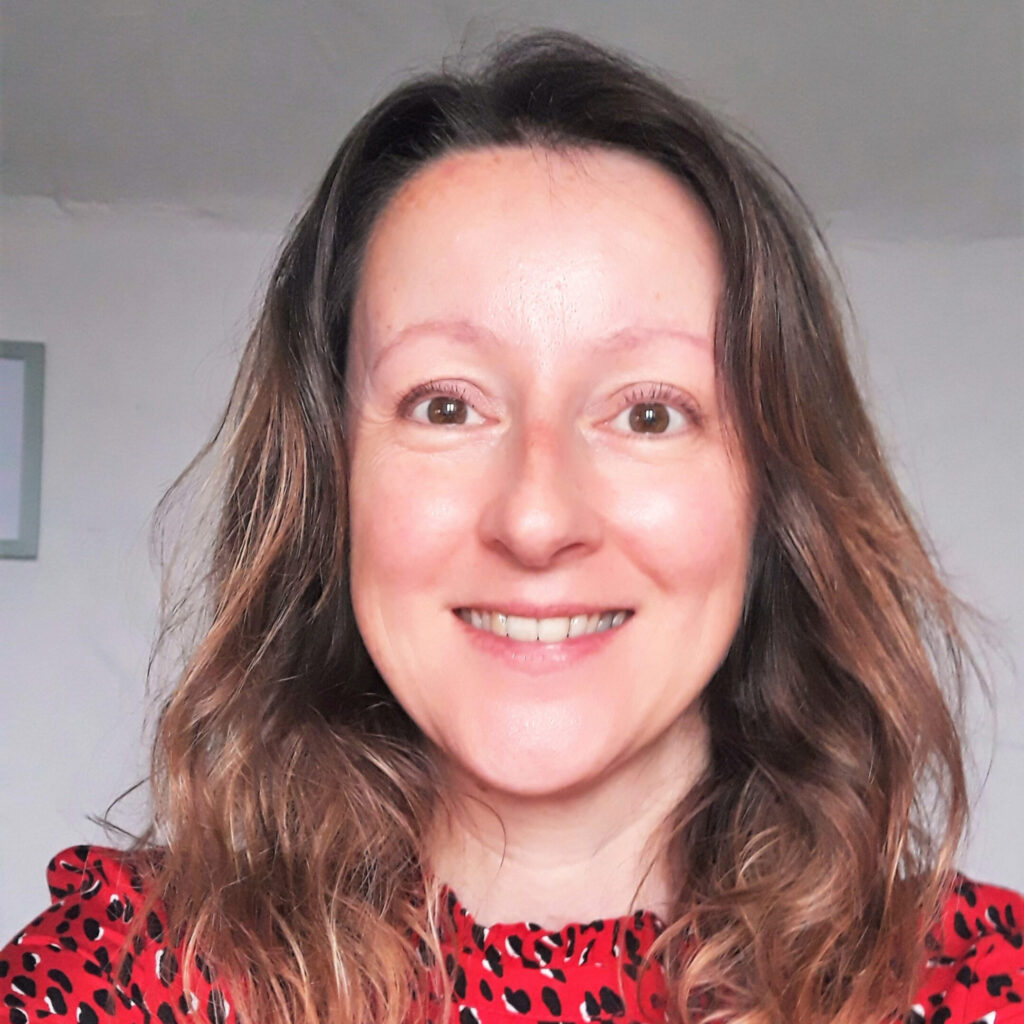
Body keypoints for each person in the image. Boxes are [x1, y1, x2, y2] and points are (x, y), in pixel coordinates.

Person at [2, 30, 1021, 1024]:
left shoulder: (982, 986)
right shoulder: (126, 973)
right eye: (445, 406)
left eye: (649, 414)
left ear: (773, 492)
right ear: (331, 483)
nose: (536, 518)